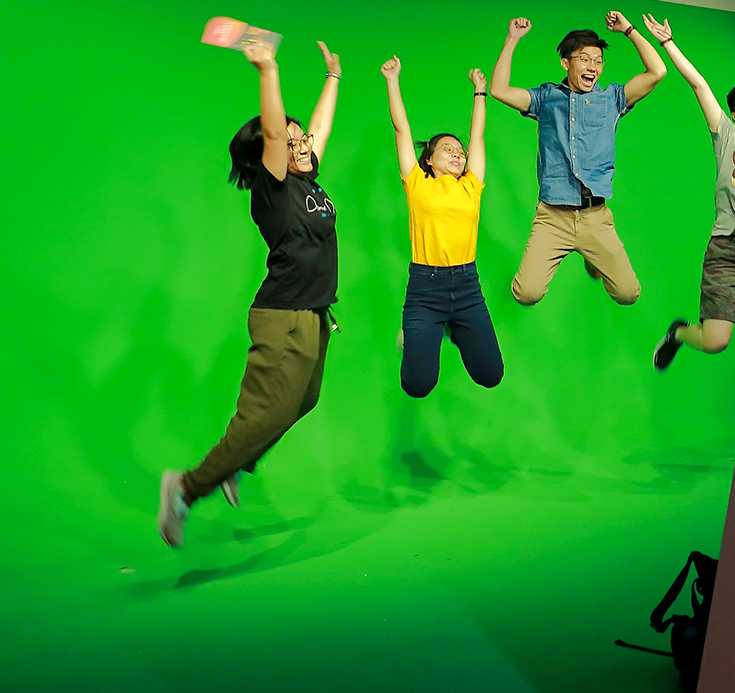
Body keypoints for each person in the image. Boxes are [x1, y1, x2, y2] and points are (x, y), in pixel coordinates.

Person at [158, 39, 343, 547]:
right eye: (289, 141)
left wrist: (333, 78)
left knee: (305, 399)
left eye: (302, 138)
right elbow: (275, 131)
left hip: (313, 314)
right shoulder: (275, 186)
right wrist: (268, 69)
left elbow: (318, 128)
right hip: (282, 314)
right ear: (270, 152)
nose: (301, 143)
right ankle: (187, 488)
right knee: (269, 414)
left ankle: (238, 460)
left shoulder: (309, 179)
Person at [645, 13, 735, 370]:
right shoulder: (727, 136)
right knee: (715, 342)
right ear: (734, 113)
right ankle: (679, 333)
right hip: (727, 249)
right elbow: (699, 86)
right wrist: (668, 43)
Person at [488, 12, 667, 306]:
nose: (593, 66)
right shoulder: (546, 98)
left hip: (595, 216)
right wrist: (512, 40)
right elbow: (499, 90)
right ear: (566, 63)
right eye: (584, 59)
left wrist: (628, 30)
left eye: (598, 61)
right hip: (552, 217)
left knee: (627, 294)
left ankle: (592, 256)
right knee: (526, 294)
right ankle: (588, 254)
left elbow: (657, 71)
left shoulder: (612, 99)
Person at [384, 56, 504, 398]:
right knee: (418, 385)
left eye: (460, 151)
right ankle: (414, 337)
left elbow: (478, 136)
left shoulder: (472, 184)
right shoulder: (416, 183)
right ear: (429, 159)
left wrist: (480, 92)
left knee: (490, 375)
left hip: (467, 285)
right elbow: (402, 129)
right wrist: (393, 80)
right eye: (447, 149)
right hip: (426, 287)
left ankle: (452, 327)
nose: (457, 153)